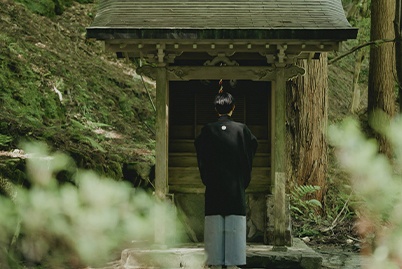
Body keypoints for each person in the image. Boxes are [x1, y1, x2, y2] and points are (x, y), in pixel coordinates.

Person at [194, 92, 258, 269]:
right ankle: (233, 263)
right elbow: (252, 146)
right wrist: (243, 178)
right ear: (233, 108)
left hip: (214, 185)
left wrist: (207, 177)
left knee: (214, 222)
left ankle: (214, 263)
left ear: (216, 109)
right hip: (235, 186)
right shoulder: (242, 130)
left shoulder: (207, 130)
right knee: (234, 224)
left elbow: (200, 149)